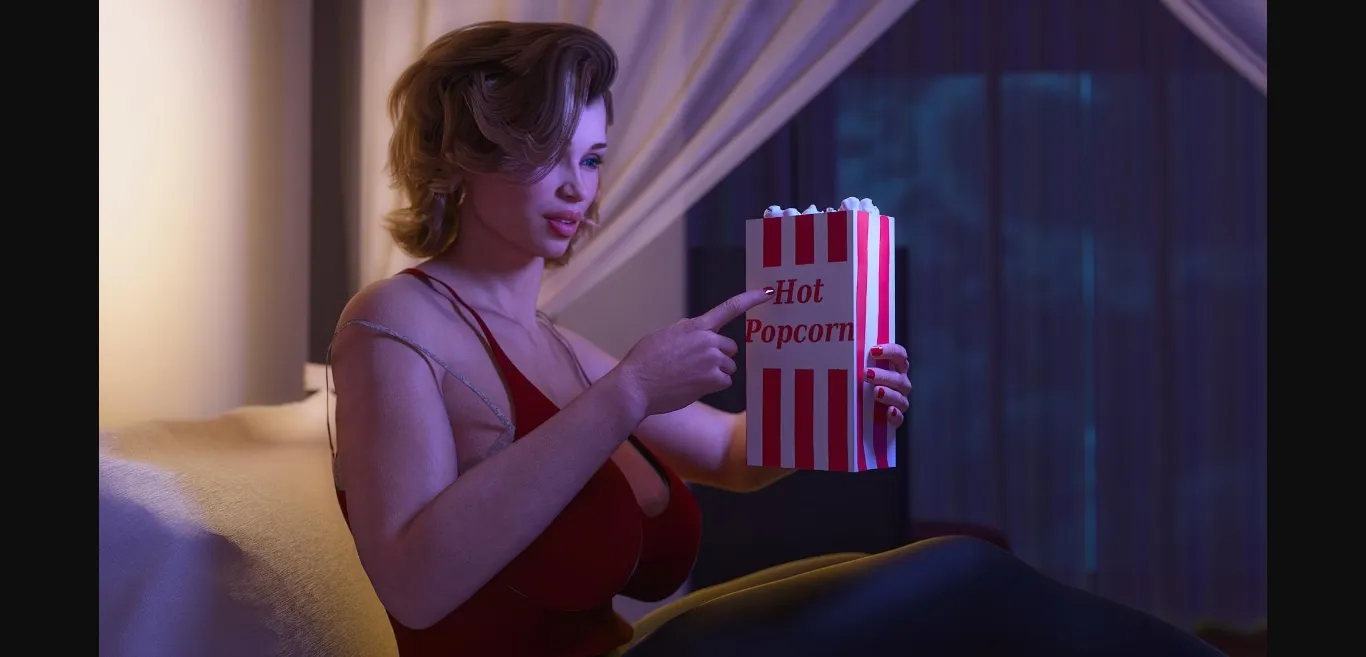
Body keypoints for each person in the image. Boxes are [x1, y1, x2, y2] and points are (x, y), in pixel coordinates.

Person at [328, 20, 1225, 657]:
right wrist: (629, 392)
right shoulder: (394, 319)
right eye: (544, 152)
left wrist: (840, 393)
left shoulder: (552, 341)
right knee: (961, 577)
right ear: (460, 158)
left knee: (952, 575)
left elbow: (730, 451)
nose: (578, 187)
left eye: (592, 158)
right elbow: (414, 583)